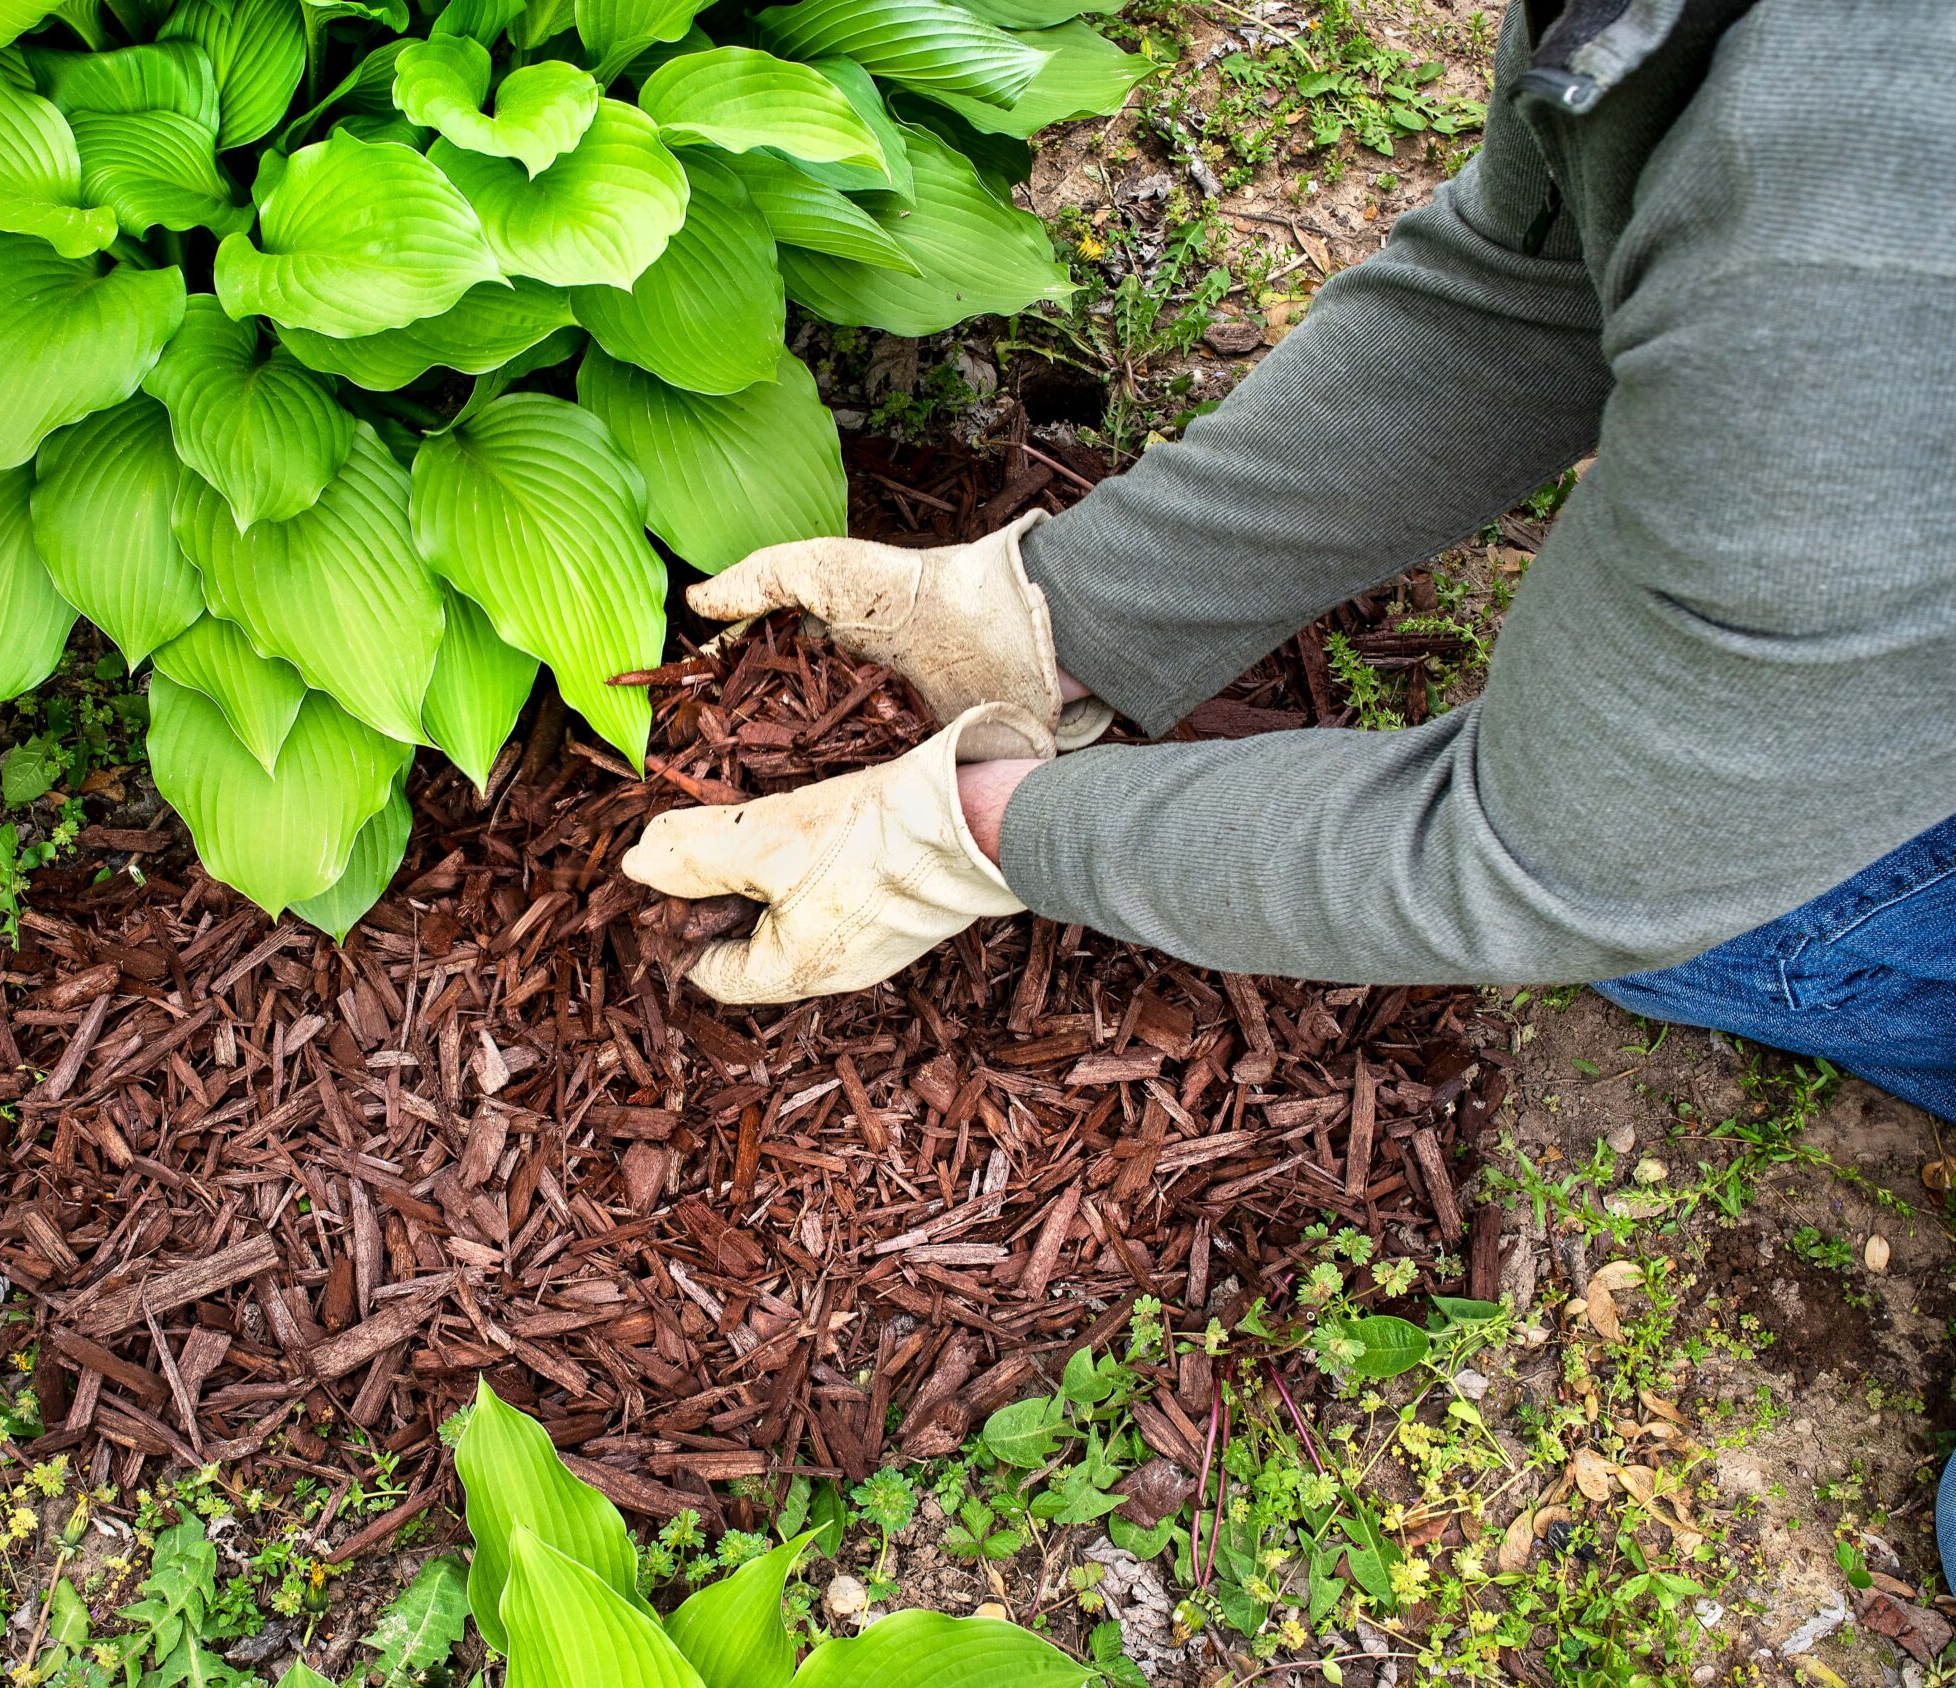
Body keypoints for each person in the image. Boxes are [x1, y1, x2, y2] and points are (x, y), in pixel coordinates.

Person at [627, 0, 1956, 1575]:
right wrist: (1064, 624)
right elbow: (1526, 282)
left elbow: (1538, 861)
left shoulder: (1864, 278)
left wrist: (970, 832)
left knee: (1704, 918)